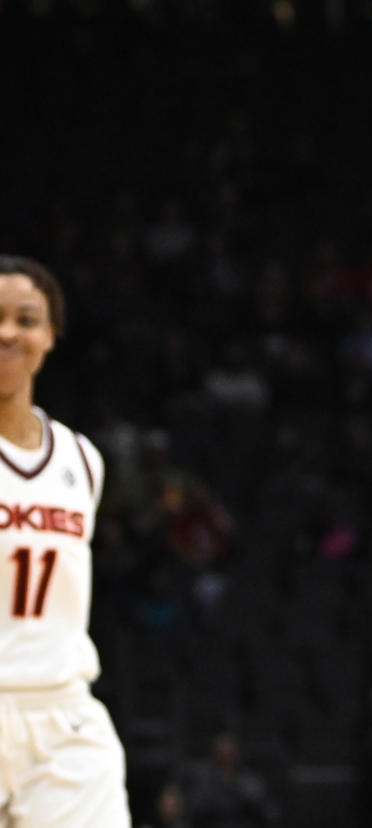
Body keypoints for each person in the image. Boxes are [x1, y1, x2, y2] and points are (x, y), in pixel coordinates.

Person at [0, 255, 132, 826]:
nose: (7, 332)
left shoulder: (83, 459)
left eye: (26, 319)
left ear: (50, 335)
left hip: (63, 712)